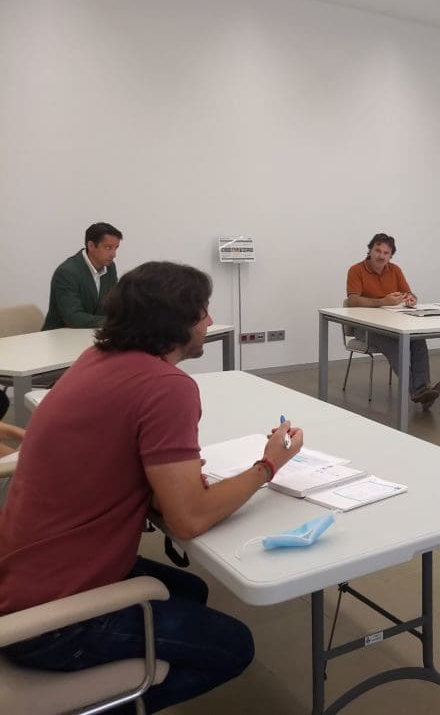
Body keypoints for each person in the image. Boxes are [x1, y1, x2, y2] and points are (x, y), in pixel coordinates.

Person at [0, 261, 305, 714]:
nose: (209, 321)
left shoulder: (96, 359)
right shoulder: (166, 387)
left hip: (21, 573)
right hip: (47, 623)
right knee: (235, 646)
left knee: (190, 591)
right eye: (202, 311)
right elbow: (188, 519)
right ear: (173, 323)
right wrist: (269, 464)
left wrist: (168, 479)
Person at [346, 233, 440, 409]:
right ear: (370, 250)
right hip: (364, 327)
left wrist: (411, 299)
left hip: (392, 323)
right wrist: (382, 302)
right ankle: (419, 391)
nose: (381, 256)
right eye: (378, 250)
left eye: (386, 253)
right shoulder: (356, 270)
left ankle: (422, 391)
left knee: (418, 339)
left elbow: (409, 293)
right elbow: (352, 300)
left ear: (390, 256)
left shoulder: (395, 270)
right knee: (396, 344)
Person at [41, 222, 123, 330]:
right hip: (60, 335)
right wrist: (114, 322)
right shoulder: (67, 272)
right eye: (108, 247)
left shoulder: (110, 267)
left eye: (116, 248)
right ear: (91, 246)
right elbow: (73, 318)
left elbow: (112, 304)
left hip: (92, 333)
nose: (113, 254)